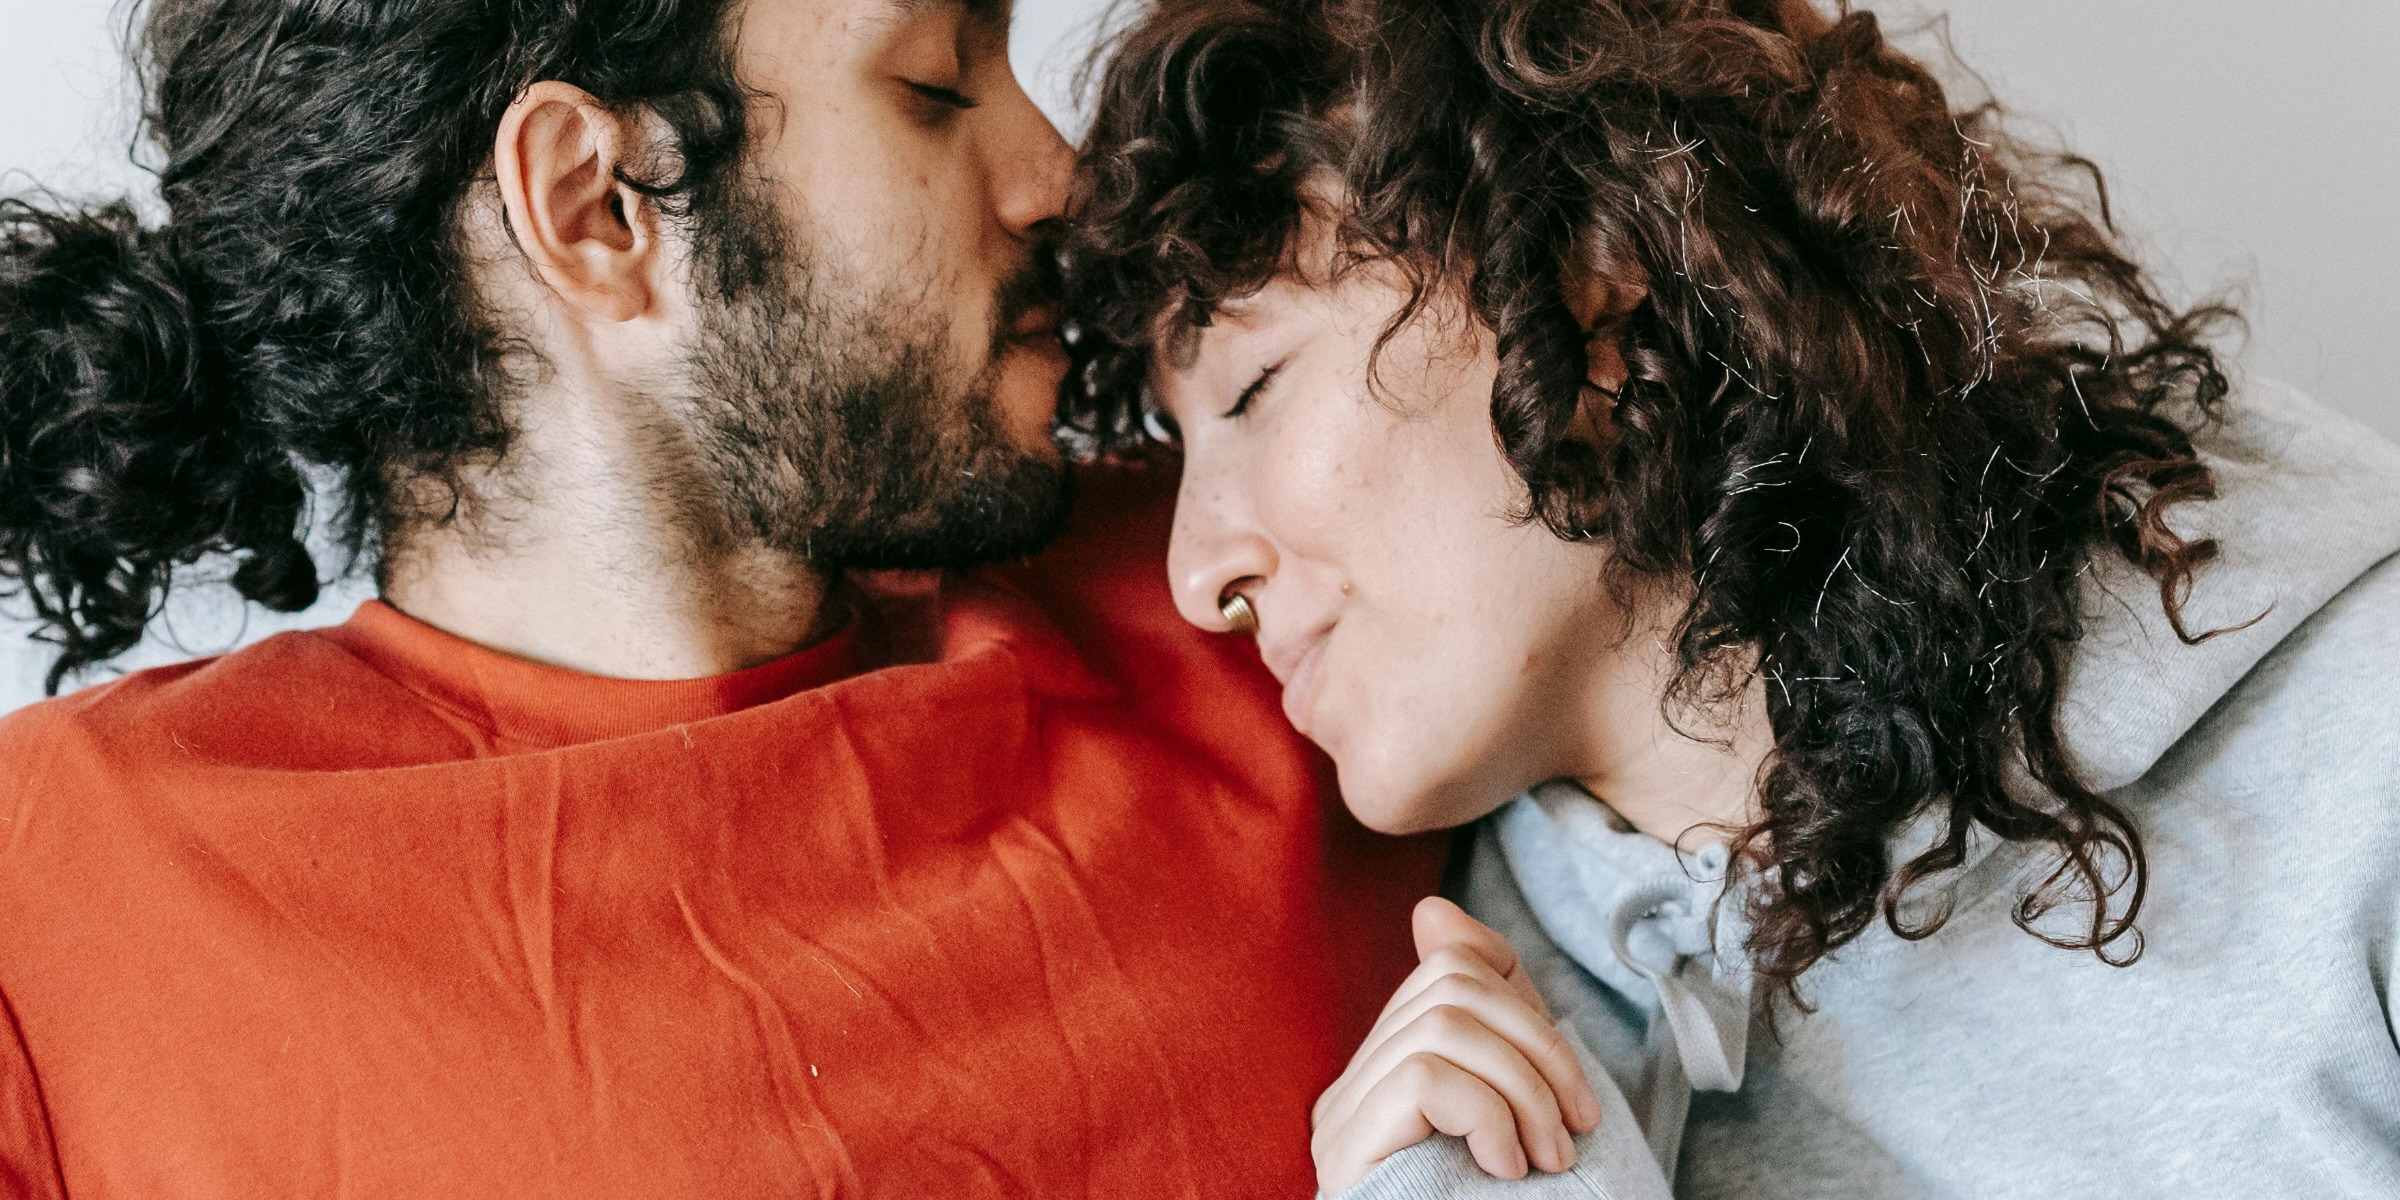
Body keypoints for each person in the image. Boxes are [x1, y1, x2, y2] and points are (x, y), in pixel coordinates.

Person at [0, 0, 1446, 1194]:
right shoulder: (57, 897)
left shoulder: (1280, 581)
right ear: (598, 207)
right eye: (939, 86)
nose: (1057, 174)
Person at [1061, 0, 2400, 1195]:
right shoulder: (1455, 1065)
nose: (1195, 575)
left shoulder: (2364, 746)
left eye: (1250, 389)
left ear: (1590, 277)